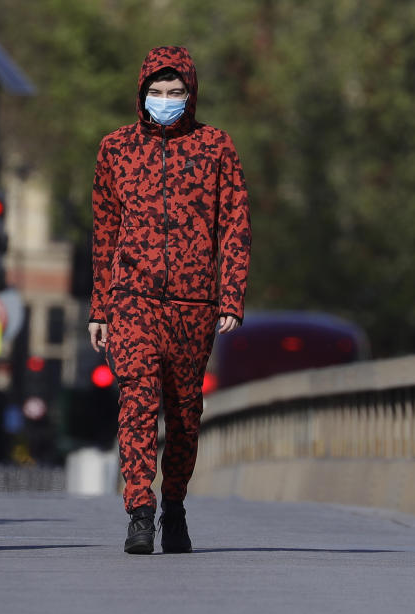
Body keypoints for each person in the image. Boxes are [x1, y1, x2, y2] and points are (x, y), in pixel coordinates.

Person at [88, 46, 251, 554]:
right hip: (132, 299)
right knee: (137, 400)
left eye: (175, 92)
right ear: (141, 95)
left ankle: (173, 505)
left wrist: (231, 295)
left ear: (191, 94)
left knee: (183, 413)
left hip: (194, 304)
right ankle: (139, 511)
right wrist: (100, 307)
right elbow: (104, 231)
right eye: (156, 93)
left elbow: (236, 226)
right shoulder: (115, 148)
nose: (165, 100)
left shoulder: (216, 147)